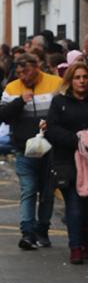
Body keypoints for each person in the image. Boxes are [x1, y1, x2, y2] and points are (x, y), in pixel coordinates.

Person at [0, 52, 61, 250]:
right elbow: (2, 115)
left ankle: (42, 228)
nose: (23, 77)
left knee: (48, 192)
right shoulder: (12, 88)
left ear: (37, 66)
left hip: (51, 148)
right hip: (23, 148)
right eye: (19, 73)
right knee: (28, 189)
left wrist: (50, 123)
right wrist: (20, 101)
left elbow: (64, 111)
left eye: (26, 72)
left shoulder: (55, 83)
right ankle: (27, 232)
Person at [45, 61, 88, 264]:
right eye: (77, 78)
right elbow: (51, 130)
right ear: (70, 81)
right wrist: (77, 140)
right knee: (75, 206)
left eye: (85, 77)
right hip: (67, 163)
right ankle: (75, 247)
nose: (82, 81)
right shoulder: (59, 102)